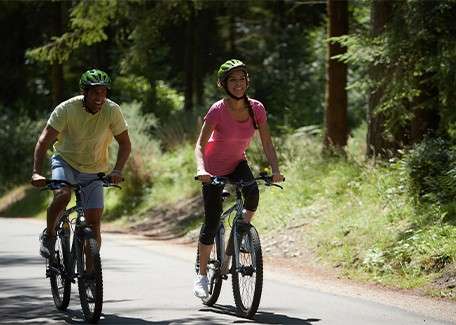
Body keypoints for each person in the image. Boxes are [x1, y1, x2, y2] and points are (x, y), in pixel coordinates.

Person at [193, 59, 284, 298]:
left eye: (241, 79)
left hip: (237, 163)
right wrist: (202, 170)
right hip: (213, 168)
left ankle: (239, 233)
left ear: (247, 81)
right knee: (212, 222)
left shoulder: (257, 109)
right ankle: (201, 275)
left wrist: (275, 169)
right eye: (232, 80)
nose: (238, 84)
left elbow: (267, 143)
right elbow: (200, 145)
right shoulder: (217, 110)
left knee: (253, 194)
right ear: (224, 84)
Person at [31, 68, 131, 259]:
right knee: (62, 195)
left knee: (93, 223)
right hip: (65, 162)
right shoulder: (66, 109)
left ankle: (90, 277)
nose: (100, 97)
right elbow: (44, 141)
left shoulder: (112, 110)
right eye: (95, 92)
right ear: (84, 92)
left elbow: (125, 144)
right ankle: (50, 235)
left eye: (104, 92)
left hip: (95, 168)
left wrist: (117, 169)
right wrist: (36, 171)